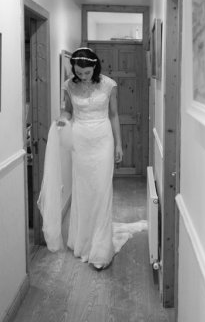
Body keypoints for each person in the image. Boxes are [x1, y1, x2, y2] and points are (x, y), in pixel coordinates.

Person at [56, 47, 123, 270]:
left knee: (102, 190)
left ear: (94, 67)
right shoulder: (69, 85)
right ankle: (82, 241)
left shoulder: (109, 85)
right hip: (80, 141)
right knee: (84, 191)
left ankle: (101, 248)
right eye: (78, 73)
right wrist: (62, 121)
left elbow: (114, 115)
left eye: (86, 73)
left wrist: (119, 144)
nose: (82, 77)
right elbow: (68, 111)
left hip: (103, 140)